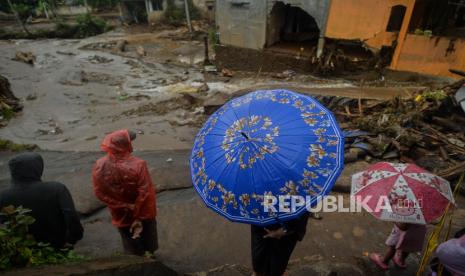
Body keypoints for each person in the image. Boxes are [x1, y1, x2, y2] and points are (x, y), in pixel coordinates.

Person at [92, 129, 157, 256]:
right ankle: (150, 256)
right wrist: (137, 215)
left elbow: (99, 193)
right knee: (148, 237)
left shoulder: (99, 165)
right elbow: (145, 193)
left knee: (127, 237)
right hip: (143, 212)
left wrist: (123, 206)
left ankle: (133, 257)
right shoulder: (138, 165)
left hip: (120, 212)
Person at [0, 152, 83, 248]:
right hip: (57, 244)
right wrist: (72, 239)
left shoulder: (3, 196)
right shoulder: (56, 189)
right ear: (38, 168)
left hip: (22, 248)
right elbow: (71, 216)